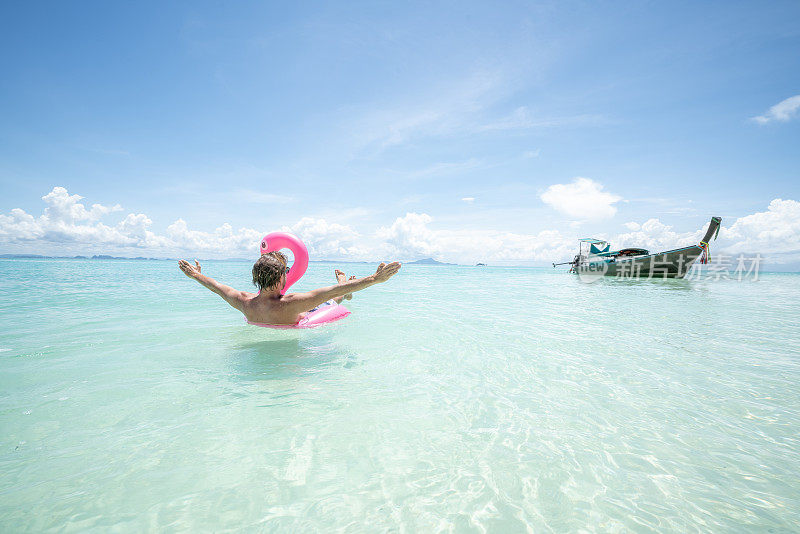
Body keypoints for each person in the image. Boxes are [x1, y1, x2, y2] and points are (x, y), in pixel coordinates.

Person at [178, 252, 401, 325]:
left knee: (333, 296)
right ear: (279, 278)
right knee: (335, 297)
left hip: (263, 318)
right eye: (286, 272)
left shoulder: (244, 301)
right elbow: (330, 291)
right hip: (301, 317)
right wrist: (375, 279)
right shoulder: (293, 303)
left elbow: (216, 287)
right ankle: (346, 287)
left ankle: (346, 288)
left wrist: (195, 274)